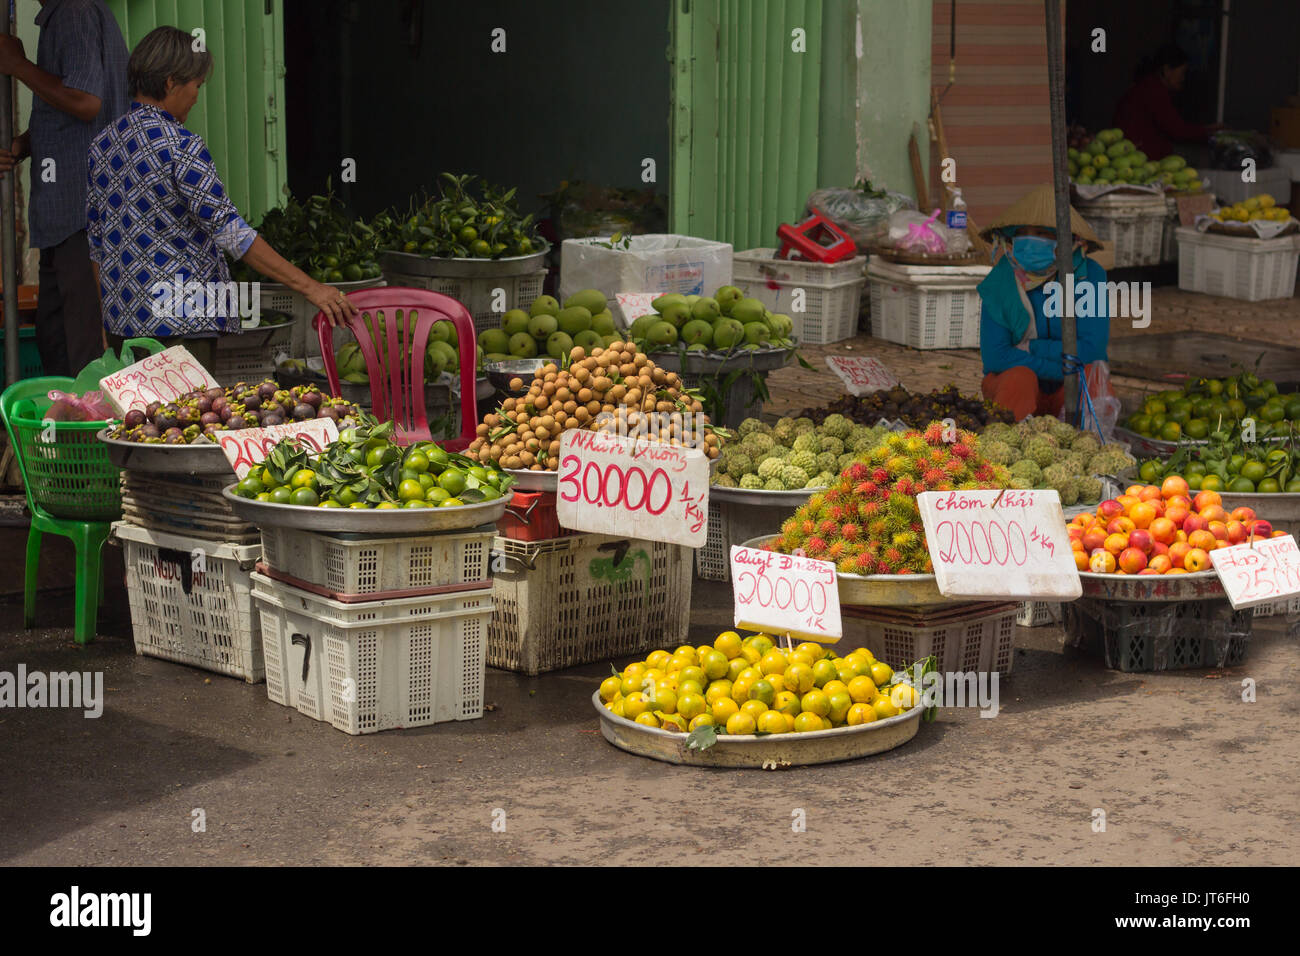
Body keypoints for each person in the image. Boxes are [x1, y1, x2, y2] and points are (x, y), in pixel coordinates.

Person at [86, 26, 354, 370]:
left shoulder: (103, 145)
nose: (196, 97)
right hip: (180, 323)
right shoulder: (181, 146)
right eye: (196, 86)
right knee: (184, 421)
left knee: (138, 423)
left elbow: (97, 245)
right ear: (171, 83)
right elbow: (232, 233)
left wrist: (107, 319)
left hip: (123, 322)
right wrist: (312, 289)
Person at [0, 0, 129, 377]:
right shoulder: (64, 15)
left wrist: (18, 66)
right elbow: (68, 115)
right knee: (56, 342)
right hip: (65, 217)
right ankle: (64, 432)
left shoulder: (75, 10)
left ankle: (89, 436)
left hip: (81, 214)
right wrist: (24, 145)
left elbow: (86, 102)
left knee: (82, 354)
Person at [977, 185, 1115, 423]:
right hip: (1021, 391)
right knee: (1019, 377)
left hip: (1069, 391)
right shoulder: (999, 281)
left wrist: (1031, 347)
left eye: (1042, 233)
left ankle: (1089, 443)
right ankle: (1005, 442)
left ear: (1067, 239)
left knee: (1093, 375)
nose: (1033, 241)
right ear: (1010, 239)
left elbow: (1092, 350)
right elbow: (996, 357)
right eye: (1024, 233)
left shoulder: (1090, 275)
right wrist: (1060, 368)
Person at [1113, 44, 1223, 160]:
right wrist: (1211, 134)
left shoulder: (1147, 88)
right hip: (1141, 157)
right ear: (1166, 70)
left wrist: (1207, 129)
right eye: (1182, 73)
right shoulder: (1153, 91)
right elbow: (1177, 131)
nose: (1183, 78)